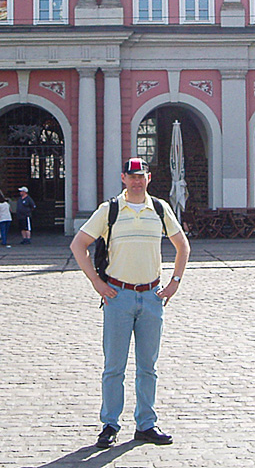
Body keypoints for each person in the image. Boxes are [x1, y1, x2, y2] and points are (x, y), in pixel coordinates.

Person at [70, 157, 190, 449]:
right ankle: (109, 424)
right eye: (131, 176)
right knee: (114, 366)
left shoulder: (159, 209)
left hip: (151, 296)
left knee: (148, 366)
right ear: (123, 178)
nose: (137, 181)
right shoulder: (109, 210)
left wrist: (174, 282)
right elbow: (78, 245)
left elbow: (182, 245)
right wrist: (97, 283)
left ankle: (146, 424)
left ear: (149, 178)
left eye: (142, 176)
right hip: (118, 296)